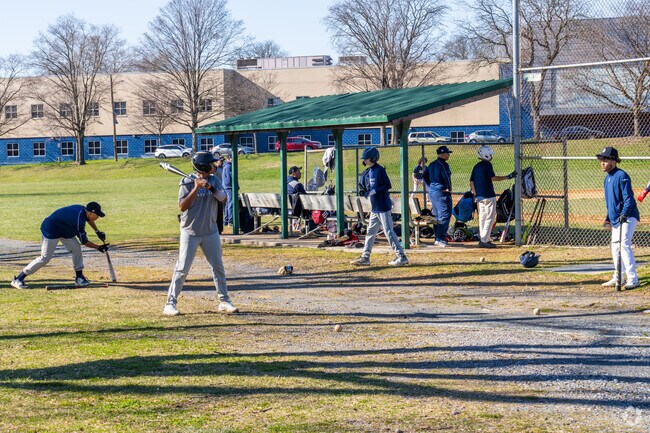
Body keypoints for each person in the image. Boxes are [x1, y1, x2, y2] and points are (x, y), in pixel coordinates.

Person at [164, 151, 239, 316]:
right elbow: (182, 206)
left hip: (210, 231)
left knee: (218, 267)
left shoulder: (214, 180)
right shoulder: (186, 181)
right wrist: (196, 188)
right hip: (190, 231)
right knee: (182, 268)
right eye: (211, 163)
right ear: (203, 166)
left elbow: (223, 198)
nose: (215, 165)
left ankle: (224, 301)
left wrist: (209, 187)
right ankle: (170, 304)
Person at [10, 202, 108, 289]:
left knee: (76, 248)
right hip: (51, 229)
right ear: (90, 213)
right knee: (45, 257)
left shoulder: (83, 210)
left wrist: (97, 231)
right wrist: (98, 247)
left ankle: (79, 278)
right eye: (97, 215)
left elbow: (89, 220)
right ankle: (18, 279)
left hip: (65, 230)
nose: (98, 217)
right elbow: (85, 242)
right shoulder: (79, 222)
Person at [350, 146, 409, 267]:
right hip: (375, 208)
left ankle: (401, 256)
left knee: (388, 232)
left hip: (383, 206)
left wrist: (376, 190)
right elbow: (366, 185)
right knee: (370, 232)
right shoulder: (368, 172)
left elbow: (387, 185)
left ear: (372, 158)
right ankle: (365, 257)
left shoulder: (379, 170)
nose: (365, 161)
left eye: (366, 158)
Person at [597, 147, 640, 290]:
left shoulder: (622, 176)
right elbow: (611, 202)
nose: (602, 162)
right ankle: (618, 277)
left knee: (624, 245)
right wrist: (608, 217)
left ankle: (633, 278)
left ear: (614, 161)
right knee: (615, 247)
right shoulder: (607, 178)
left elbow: (629, 199)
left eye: (606, 159)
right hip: (616, 218)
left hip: (628, 216)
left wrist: (624, 214)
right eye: (601, 160)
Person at [470, 145, 516, 248]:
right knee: (489, 218)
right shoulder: (487, 165)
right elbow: (493, 178)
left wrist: (475, 194)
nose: (491, 156)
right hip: (488, 195)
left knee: (482, 218)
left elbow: (471, 181)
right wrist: (507, 177)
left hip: (479, 197)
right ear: (485, 155)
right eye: (490, 154)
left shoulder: (476, 166)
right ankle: (485, 240)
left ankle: (483, 238)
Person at [425, 145, 454, 247]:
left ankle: (438, 237)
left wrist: (431, 186)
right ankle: (440, 238)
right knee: (445, 214)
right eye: (447, 153)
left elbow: (425, 176)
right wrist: (449, 188)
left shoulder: (432, 164)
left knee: (437, 215)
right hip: (441, 191)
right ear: (442, 154)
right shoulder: (443, 165)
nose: (448, 155)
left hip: (433, 191)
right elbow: (446, 177)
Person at [214, 156, 226, 234]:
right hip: (216, 190)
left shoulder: (224, 168)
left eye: (222, 161)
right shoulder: (215, 169)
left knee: (224, 206)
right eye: (220, 161)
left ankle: (225, 220)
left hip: (223, 189)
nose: (221, 162)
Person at [222, 155, 233, 226]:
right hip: (229, 188)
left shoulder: (225, 166)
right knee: (230, 204)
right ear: (229, 159)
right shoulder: (229, 166)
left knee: (227, 205)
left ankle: (226, 220)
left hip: (225, 187)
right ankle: (230, 221)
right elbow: (230, 178)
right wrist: (234, 186)